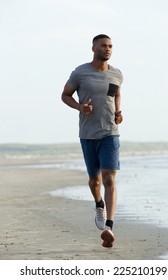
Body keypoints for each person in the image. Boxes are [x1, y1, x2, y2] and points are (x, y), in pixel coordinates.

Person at [61, 34, 123, 248]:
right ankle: (99, 203)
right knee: (95, 181)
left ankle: (109, 226)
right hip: (88, 134)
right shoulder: (80, 73)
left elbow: (115, 94)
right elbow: (65, 95)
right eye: (103, 46)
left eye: (111, 46)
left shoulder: (116, 74)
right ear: (93, 48)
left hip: (110, 133)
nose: (108, 49)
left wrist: (119, 112)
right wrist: (80, 108)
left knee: (109, 178)